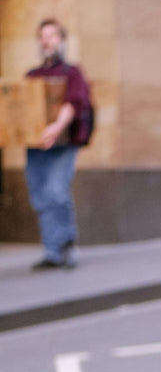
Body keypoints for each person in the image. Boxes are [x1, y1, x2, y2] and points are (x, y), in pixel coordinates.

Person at [25, 18, 89, 270]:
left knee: (56, 191)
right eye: (43, 36)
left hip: (62, 145)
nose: (47, 40)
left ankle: (64, 244)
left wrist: (56, 128)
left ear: (61, 41)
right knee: (40, 195)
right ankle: (51, 251)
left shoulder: (72, 73)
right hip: (36, 146)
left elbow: (73, 104)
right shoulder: (33, 75)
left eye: (52, 36)